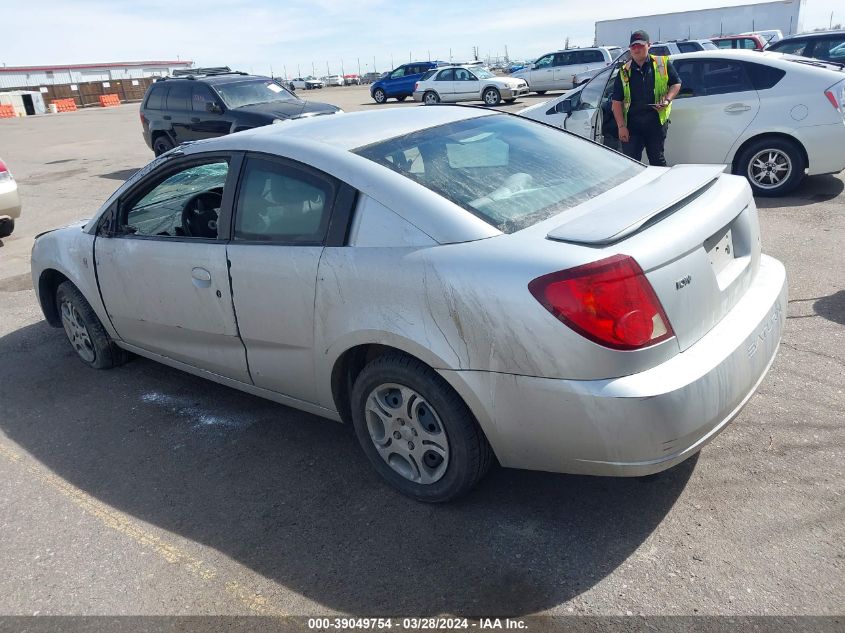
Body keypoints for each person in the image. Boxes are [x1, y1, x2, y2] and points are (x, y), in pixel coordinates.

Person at [611, 30, 681, 166]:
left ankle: (661, 187)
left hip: (655, 122)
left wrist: (667, 100)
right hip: (632, 125)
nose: (636, 49)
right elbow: (616, 101)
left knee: (657, 160)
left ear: (649, 45)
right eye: (633, 46)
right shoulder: (624, 70)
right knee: (630, 163)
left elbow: (676, 83)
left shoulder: (662, 63)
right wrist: (621, 126)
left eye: (640, 45)